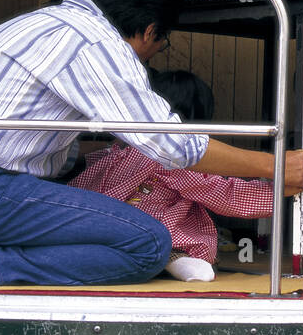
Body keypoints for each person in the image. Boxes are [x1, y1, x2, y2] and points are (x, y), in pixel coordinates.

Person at [0, 0, 303, 286]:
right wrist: (277, 168)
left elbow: (27, 139)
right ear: (149, 32)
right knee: (148, 243)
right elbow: (178, 150)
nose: (147, 64)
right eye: (157, 47)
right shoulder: (95, 42)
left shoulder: (45, 23)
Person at [69, 70, 275, 282]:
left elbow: (86, 182)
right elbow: (223, 195)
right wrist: (276, 192)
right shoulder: (178, 162)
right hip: (154, 231)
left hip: (105, 226)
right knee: (176, 237)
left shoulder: (119, 151)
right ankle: (173, 257)